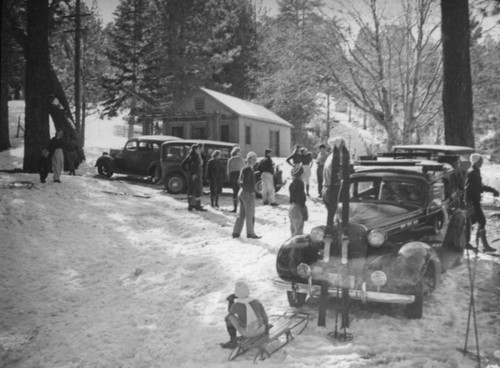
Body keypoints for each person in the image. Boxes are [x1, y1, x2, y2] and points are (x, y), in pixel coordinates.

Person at [220, 280, 270, 349]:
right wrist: (266, 330)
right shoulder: (256, 302)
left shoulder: (237, 305)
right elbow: (265, 317)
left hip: (248, 333)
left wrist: (231, 301)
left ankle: (233, 341)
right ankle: (251, 329)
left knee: (228, 317)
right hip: (261, 329)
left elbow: (230, 312)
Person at [465, 153, 499, 252]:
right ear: (476, 161)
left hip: (474, 201)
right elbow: (467, 188)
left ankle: (469, 243)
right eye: (481, 161)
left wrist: (492, 190)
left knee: (472, 222)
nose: (482, 162)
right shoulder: (472, 172)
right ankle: (482, 246)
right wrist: (468, 203)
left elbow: (479, 187)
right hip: (473, 202)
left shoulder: (475, 171)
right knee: (481, 221)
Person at [232, 152, 261, 239]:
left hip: (242, 193)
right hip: (248, 193)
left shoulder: (244, 168)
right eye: (253, 159)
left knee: (241, 214)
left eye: (255, 159)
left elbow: (240, 181)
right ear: (248, 159)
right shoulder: (248, 169)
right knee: (250, 215)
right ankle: (250, 233)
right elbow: (245, 182)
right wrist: (251, 191)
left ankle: (236, 232)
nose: (255, 161)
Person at [322, 137, 349, 224]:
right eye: (342, 145)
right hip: (332, 189)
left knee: (332, 217)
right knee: (338, 219)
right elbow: (341, 174)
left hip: (325, 188)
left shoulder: (330, 156)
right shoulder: (336, 159)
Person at [181, 144, 206, 212]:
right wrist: (193, 173)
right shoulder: (195, 156)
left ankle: (191, 205)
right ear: (195, 149)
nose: (199, 150)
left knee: (191, 190)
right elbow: (193, 165)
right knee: (197, 190)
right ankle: (197, 206)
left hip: (192, 175)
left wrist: (188, 172)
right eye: (198, 149)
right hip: (196, 175)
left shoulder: (189, 155)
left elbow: (183, 164)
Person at [289, 165, 307, 236]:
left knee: (293, 228)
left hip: (291, 207)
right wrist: (303, 208)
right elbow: (301, 196)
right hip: (297, 207)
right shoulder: (300, 183)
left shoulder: (292, 184)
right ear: (301, 175)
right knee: (299, 229)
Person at [227, 147, 245, 213]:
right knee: (241, 191)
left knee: (235, 191)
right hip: (239, 175)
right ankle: (242, 208)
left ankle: (235, 208)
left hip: (232, 175)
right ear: (237, 152)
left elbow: (228, 170)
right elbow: (243, 168)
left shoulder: (230, 159)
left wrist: (229, 178)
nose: (240, 153)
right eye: (239, 151)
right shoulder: (240, 159)